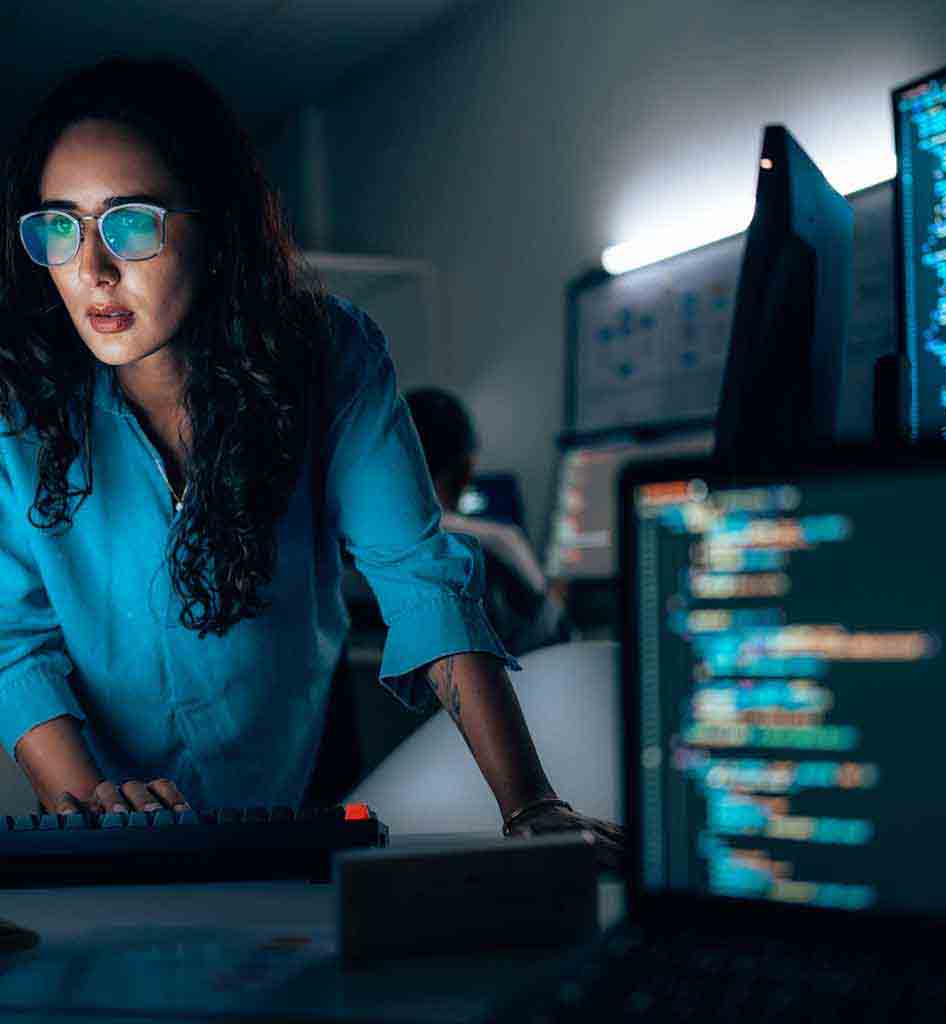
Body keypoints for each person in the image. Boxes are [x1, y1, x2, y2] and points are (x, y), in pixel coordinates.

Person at [0, 57, 625, 869]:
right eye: (60, 226)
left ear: (218, 227)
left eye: (130, 223)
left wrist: (531, 804)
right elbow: (15, 641)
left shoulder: (329, 354)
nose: (93, 271)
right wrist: (98, 818)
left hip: (287, 782)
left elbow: (418, 579)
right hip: (104, 804)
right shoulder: (18, 402)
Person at [404, 387, 573, 657]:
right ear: (467, 467)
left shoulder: (347, 546)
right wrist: (553, 596)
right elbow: (558, 639)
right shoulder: (500, 544)